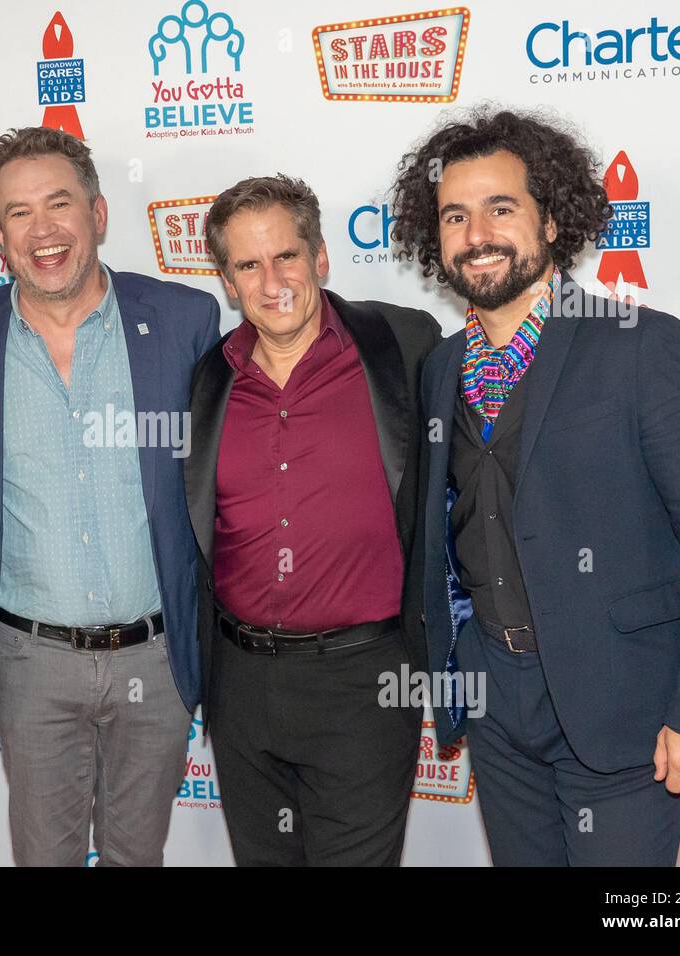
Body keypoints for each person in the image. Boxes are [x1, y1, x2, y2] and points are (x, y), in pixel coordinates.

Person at [392, 107, 680, 865]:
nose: (477, 233)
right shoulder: (440, 367)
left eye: (502, 208)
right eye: (455, 216)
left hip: (624, 708)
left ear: (553, 220)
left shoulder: (639, 346)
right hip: (496, 704)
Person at [0, 127, 218, 866]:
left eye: (59, 204)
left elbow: (230, 456)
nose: (43, 229)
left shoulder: (185, 321)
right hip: (32, 660)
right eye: (19, 213)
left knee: (135, 857)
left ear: (98, 212)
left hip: (156, 656)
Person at [188, 175, 439, 865]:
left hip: (365, 682)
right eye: (247, 265)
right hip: (240, 686)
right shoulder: (207, 379)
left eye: (286, 257)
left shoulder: (405, 346)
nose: (272, 282)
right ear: (228, 282)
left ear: (321, 257)